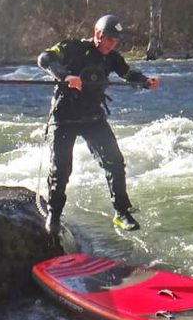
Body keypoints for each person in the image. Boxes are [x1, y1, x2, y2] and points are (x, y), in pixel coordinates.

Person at [37, 14, 159, 236]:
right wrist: (65, 75)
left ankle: (122, 213)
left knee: (115, 163)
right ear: (97, 34)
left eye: (115, 41)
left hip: (93, 117)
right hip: (64, 117)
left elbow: (127, 73)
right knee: (62, 170)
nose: (112, 45)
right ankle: (54, 214)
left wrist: (144, 81)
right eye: (108, 39)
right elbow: (44, 59)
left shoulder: (112, 57)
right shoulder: (72, 48)